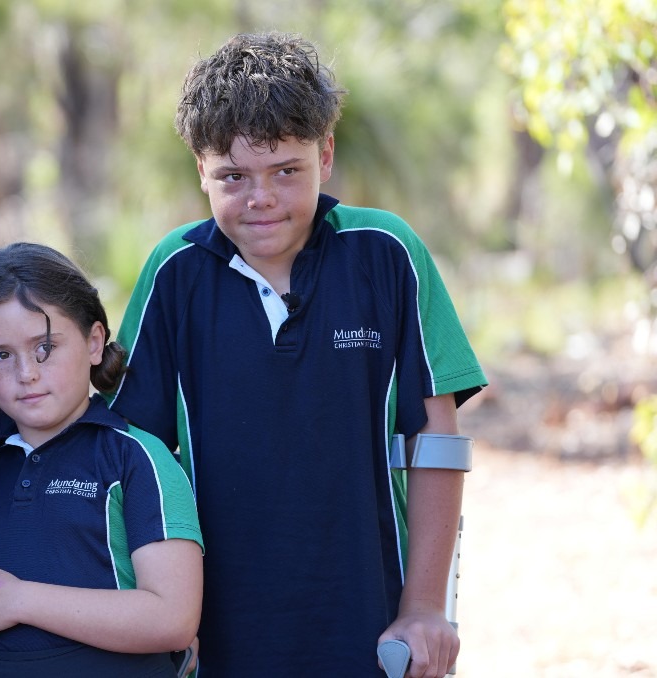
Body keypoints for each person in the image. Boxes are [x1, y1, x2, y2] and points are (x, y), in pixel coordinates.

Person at [106, 32, 488, 677]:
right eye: (233, 177)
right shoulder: (174, 272)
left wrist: (425, 607)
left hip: (371, 617)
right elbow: (132, 459)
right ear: (200, 170)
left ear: (326, 154)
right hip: (217, 628)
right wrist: (154, 611)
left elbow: (436, 441)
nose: (261, 198)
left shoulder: (387, 254)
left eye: (286, 171)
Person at [0, 242, 203, 677]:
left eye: (45, 347)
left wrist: (20, 600)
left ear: (94, 342)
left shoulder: (136, 458)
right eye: (0, 355)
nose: (26, 373)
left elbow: (173, 620)